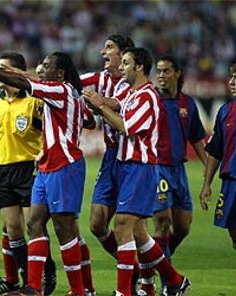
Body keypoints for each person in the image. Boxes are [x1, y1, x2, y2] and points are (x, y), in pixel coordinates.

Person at [0, 47, 95, 296]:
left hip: (64, 166)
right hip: (47, 166)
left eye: (46, 65)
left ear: (59, 73)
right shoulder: (64, 92)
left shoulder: (59, 90)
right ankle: (33, 288)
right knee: (35, 223)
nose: (41, 69)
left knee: (64, 228)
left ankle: (78, 291)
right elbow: (89, 120)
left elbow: (20, 81)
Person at [84, 47, 190, 296]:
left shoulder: (147, 97)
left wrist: (100, 105)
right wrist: (95, 103)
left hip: (140, 168)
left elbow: (126, 127)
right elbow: (115, 107)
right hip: (125, 166)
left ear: (139, 67)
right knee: (139, 233)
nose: (121, 67)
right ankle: (174, 280)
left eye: (127, 63)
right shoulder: (131, 94)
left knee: (122, 227)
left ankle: (124, 291)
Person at [0, 52, 56, 296]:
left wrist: (44, 152)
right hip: (3, 170)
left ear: (17, 72)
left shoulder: (34, 101)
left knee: (33, 226)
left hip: (29, 169)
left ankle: (46, 269)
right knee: (13, 229)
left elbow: (51, 129)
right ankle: (25, 277)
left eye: (3, 68)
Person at [137, 55, 207, 295]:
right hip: (157, 168)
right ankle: (169, 283)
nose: (162, 75)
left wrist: (208, 172)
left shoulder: (188, 103)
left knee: (183, 227)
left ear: (178, 73)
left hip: (179, 170)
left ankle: (153, 261)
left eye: (167, 71)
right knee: (163, 222)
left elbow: (197, 138)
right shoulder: (151, 99)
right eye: (159, 71)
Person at [80, 34, 141, 294]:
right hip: (111, 157)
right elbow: (60, 81)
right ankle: (135, 270)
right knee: (97, 223)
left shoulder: (133, 83)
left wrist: (95, 102)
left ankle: (155, 279)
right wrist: (17, 74)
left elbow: (113, 104)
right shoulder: (98, 78)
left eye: (109, 48)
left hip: (133, 158)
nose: (103, 52)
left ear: (124, 54)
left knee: (135, 229)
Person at [199, 58, 236, 294]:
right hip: (230, 183)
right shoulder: (226, 111)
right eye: (232, 77)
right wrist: (206, 184)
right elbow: (215, 150)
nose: (231, 82)